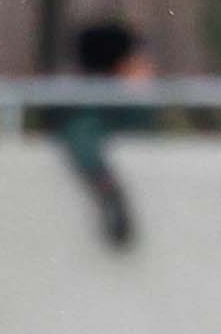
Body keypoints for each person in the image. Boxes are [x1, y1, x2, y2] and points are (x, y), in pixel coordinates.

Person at [55, 19, 159, 250]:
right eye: (136, 63)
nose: (148, 70)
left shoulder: (147, 111)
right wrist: (109, 192)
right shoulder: (85, 118)